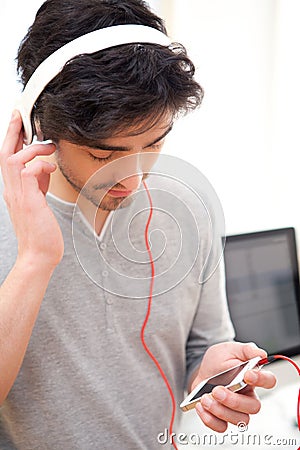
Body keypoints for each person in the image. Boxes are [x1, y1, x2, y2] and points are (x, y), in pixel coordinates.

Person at [0, 1, 276, 449]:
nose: (134, 177)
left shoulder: (189, 206)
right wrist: (35, 259)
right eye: (103, 156)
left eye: (154, 143)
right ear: (37, 129)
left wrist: (212, 377)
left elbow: (202, 348)